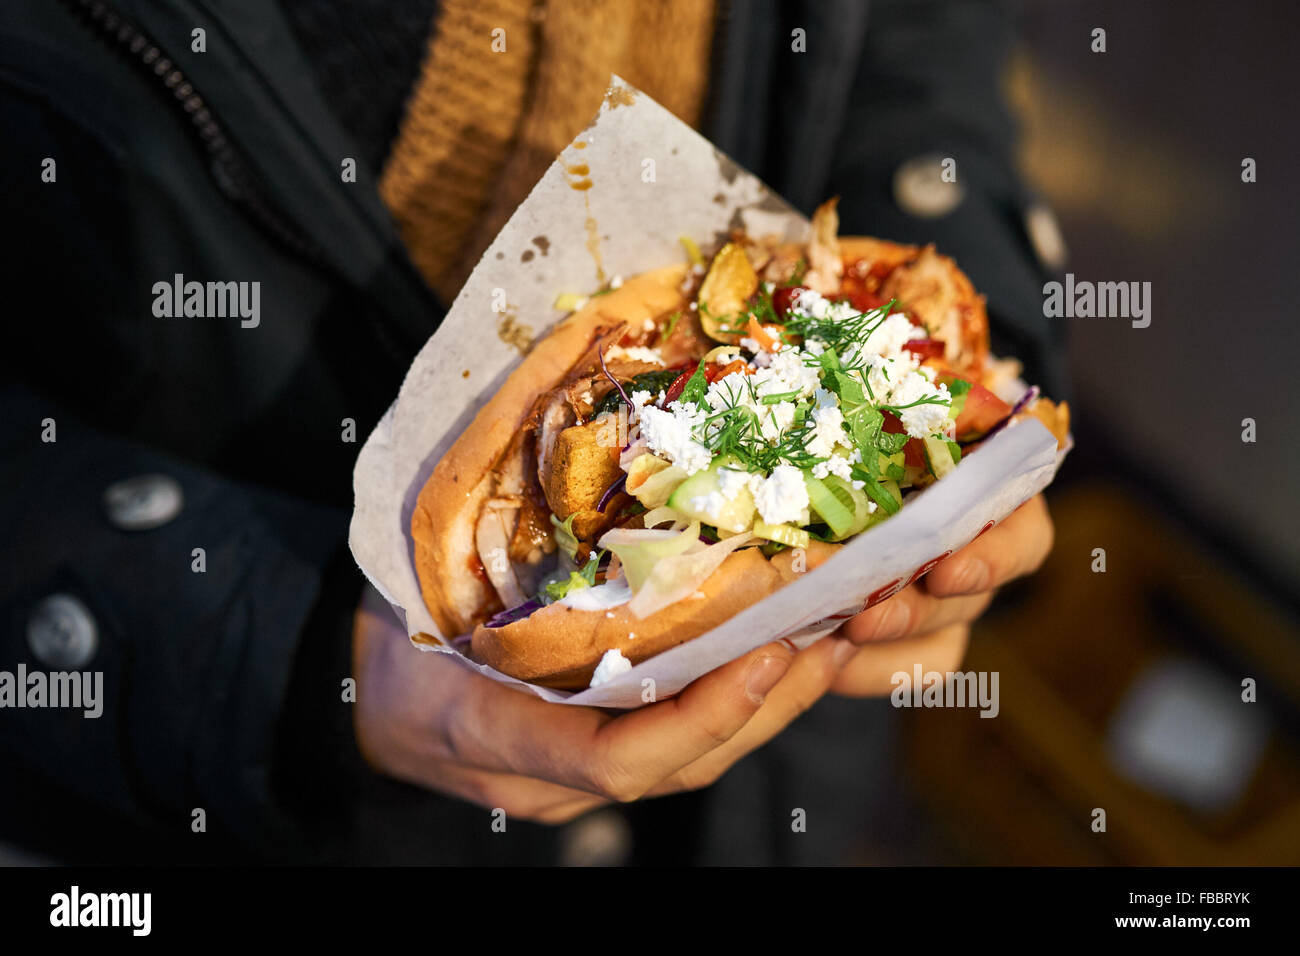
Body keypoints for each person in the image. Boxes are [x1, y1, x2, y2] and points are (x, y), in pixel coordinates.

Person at [0, 0, 1060, 864]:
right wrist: (282, 646)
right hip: (232, 785)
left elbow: (916, 50)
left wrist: (968, 342)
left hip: (776, 780)